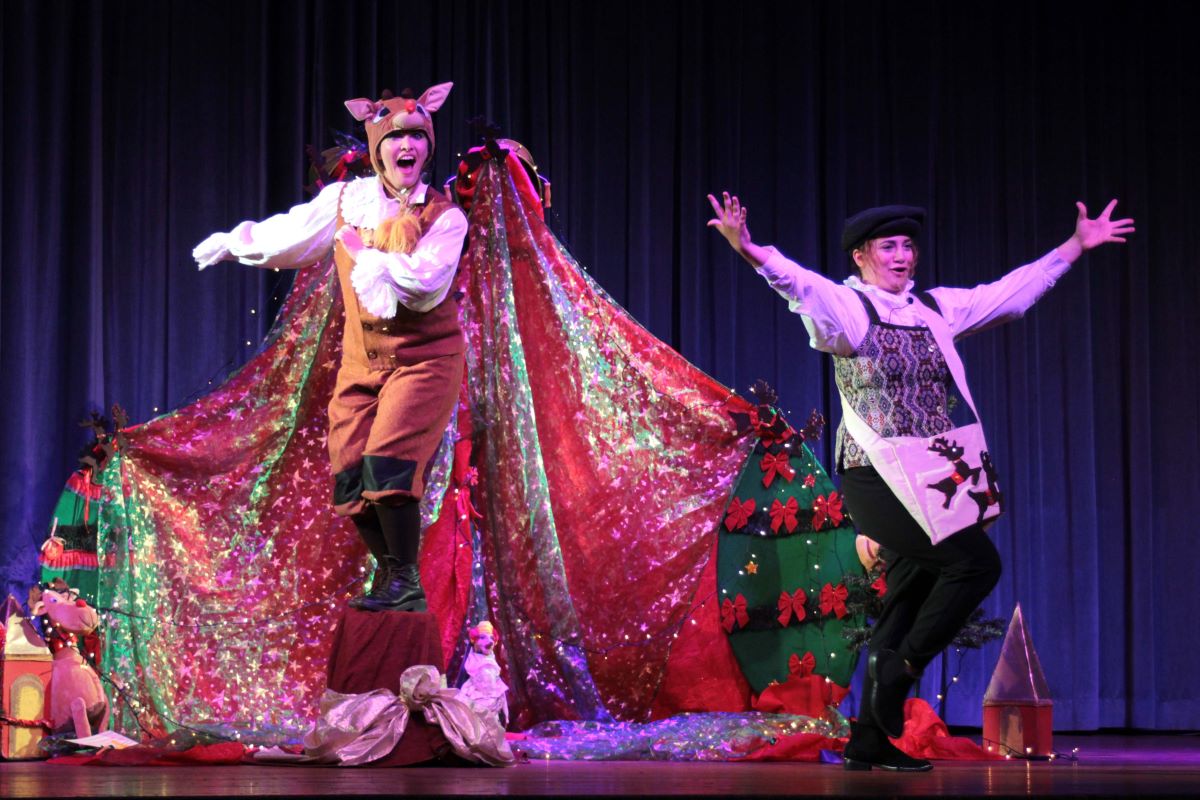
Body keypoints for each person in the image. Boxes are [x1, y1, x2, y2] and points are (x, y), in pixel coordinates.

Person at [707, 191, 1133, 771]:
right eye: (889, 247)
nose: (903, 256)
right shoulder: (848, 307)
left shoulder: (934, 308)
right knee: (975, 565)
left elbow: (1008, 295)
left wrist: (1074, 247)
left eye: (908, 245)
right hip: (875, 473)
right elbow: (798, 285)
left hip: (932, 472)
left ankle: (868, 740)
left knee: (907, 595)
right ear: (861, 256)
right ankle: (901, 670)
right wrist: (751, 250)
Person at [192, 82, 468, 613]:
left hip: (425, 359)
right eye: (395, 137)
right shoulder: (349, 202)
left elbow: (423, 285)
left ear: (428, 147)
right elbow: (292, 234)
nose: (406, 145)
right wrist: (233, 244)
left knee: (389, 462)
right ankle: (390, 574)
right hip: (363, 362)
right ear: (377, 148)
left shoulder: (445, 218)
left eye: (417, 136)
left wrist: (365, 254)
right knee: (350, 473)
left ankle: (405, 580)